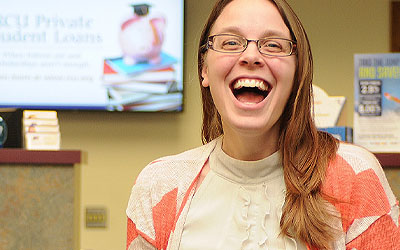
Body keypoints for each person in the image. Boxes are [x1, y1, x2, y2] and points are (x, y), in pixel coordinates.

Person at [126, 0, 400, 249]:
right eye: (231, 42)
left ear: (296, 72)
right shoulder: (158, 188)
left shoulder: (355, 177)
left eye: (273, 45)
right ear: (204, 69)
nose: (251, 56)